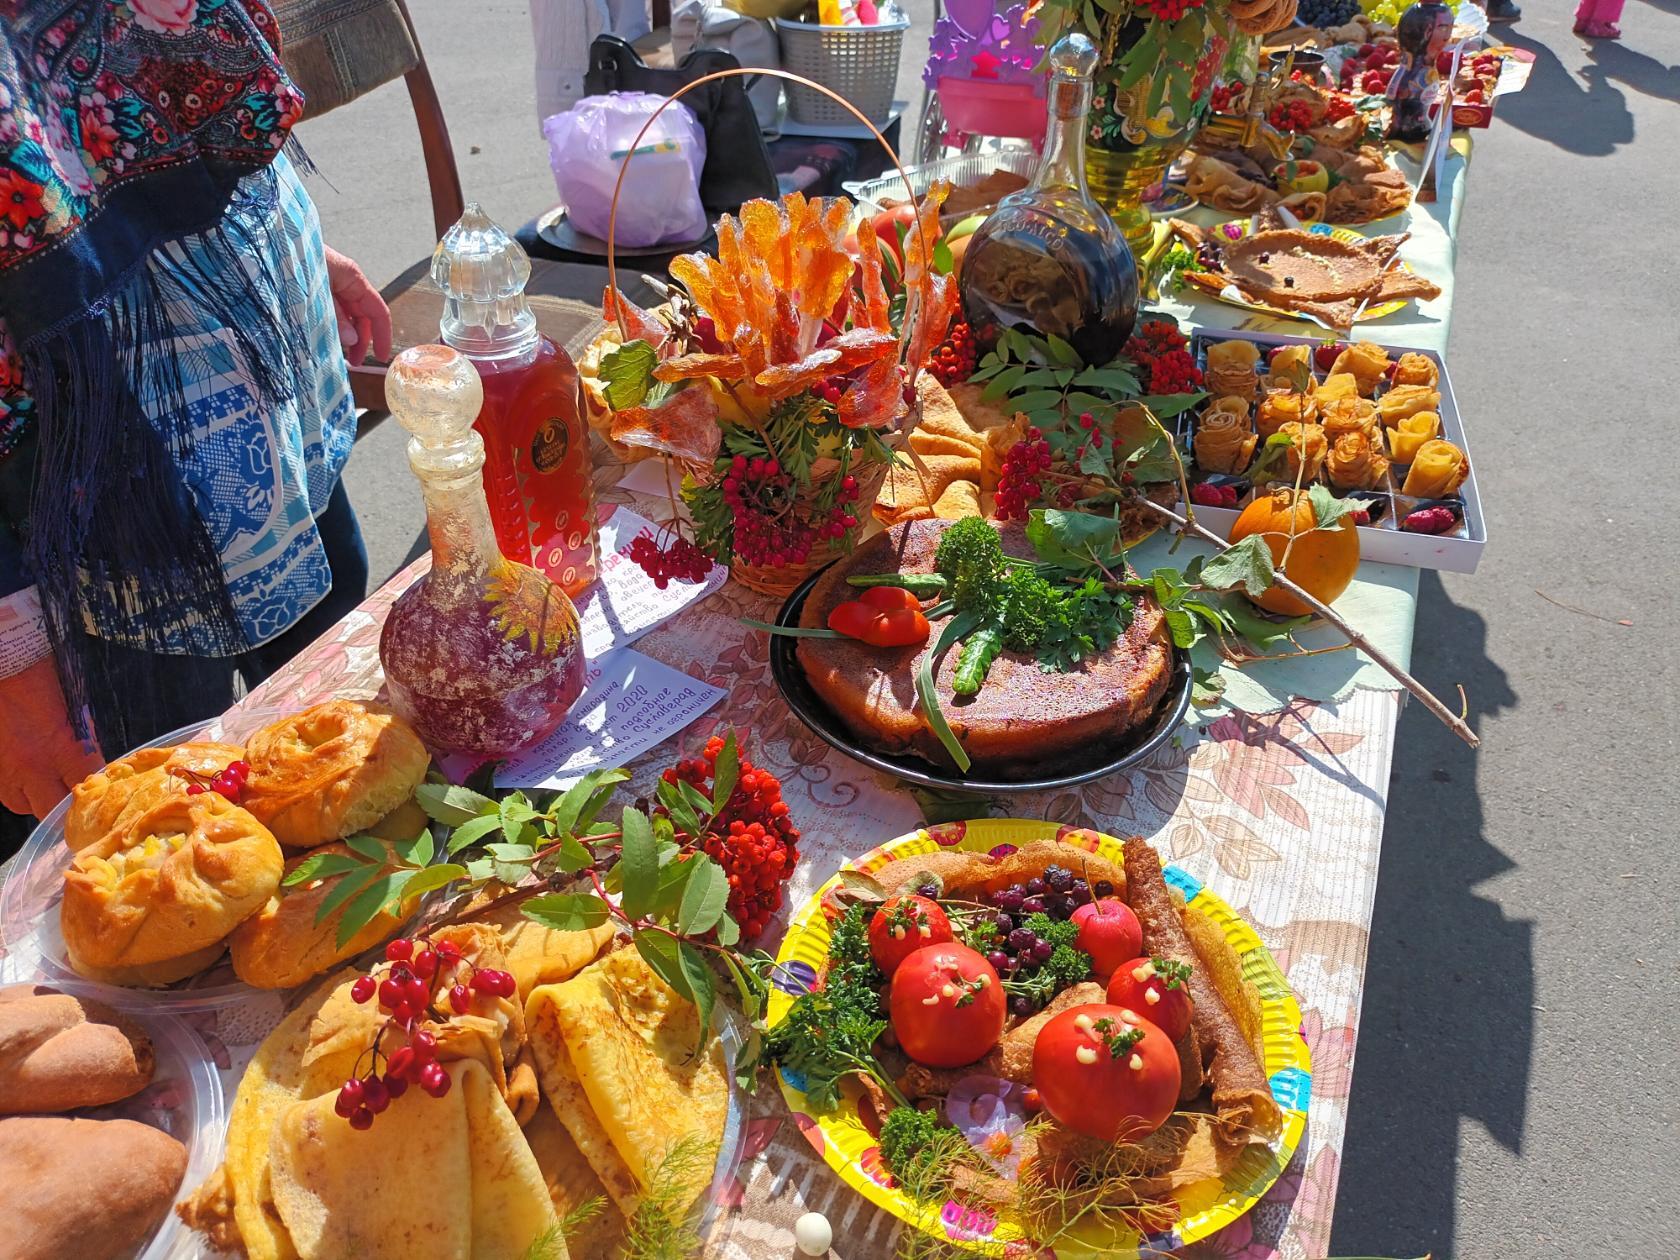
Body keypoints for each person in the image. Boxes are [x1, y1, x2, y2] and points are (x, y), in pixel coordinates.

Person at [0, 0, 391, 826]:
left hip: (263, 363)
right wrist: (10, 654)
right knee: (172, 841)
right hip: (95, 476)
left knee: (351, 766)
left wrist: (264, 232)